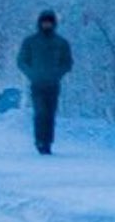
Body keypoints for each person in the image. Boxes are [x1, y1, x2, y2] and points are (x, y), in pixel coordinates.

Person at [16, 9, 73, 154]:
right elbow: (22, 61)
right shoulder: (30, 42)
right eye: (44, 22)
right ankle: (40, 141)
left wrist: (57, 74)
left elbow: (68, 62)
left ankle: (48, 142)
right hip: (37, 84)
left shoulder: (61, 43)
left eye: (49, 22)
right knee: (40, 113)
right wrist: (32, 74)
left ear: (53, 23)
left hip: (53, 84)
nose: (46, 25)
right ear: (39, 23)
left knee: (50, 114)